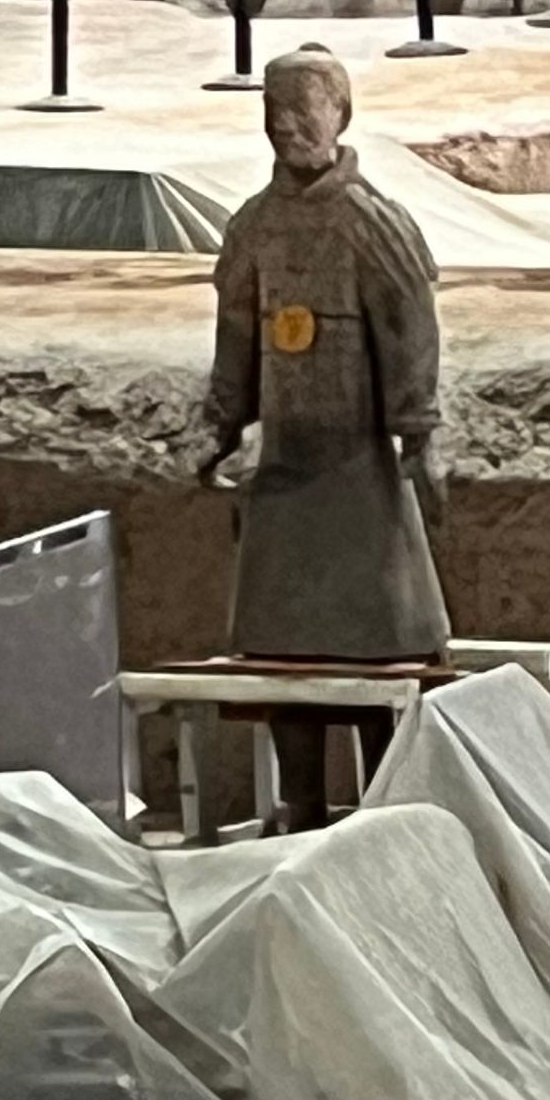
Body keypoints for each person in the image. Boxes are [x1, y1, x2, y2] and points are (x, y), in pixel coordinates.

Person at [202, 48, 450, 831]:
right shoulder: (253, 227)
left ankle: (383, 810)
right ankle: (301, 805)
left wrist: (418, 433)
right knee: (284, 656)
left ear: (340, 114)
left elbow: (411, 332)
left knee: (376, 657)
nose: (287, 124)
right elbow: (236, 337)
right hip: (284, 472)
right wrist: (220, 422)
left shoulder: (371, 225)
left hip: (359, 472)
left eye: (303, 109)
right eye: (274, 110)